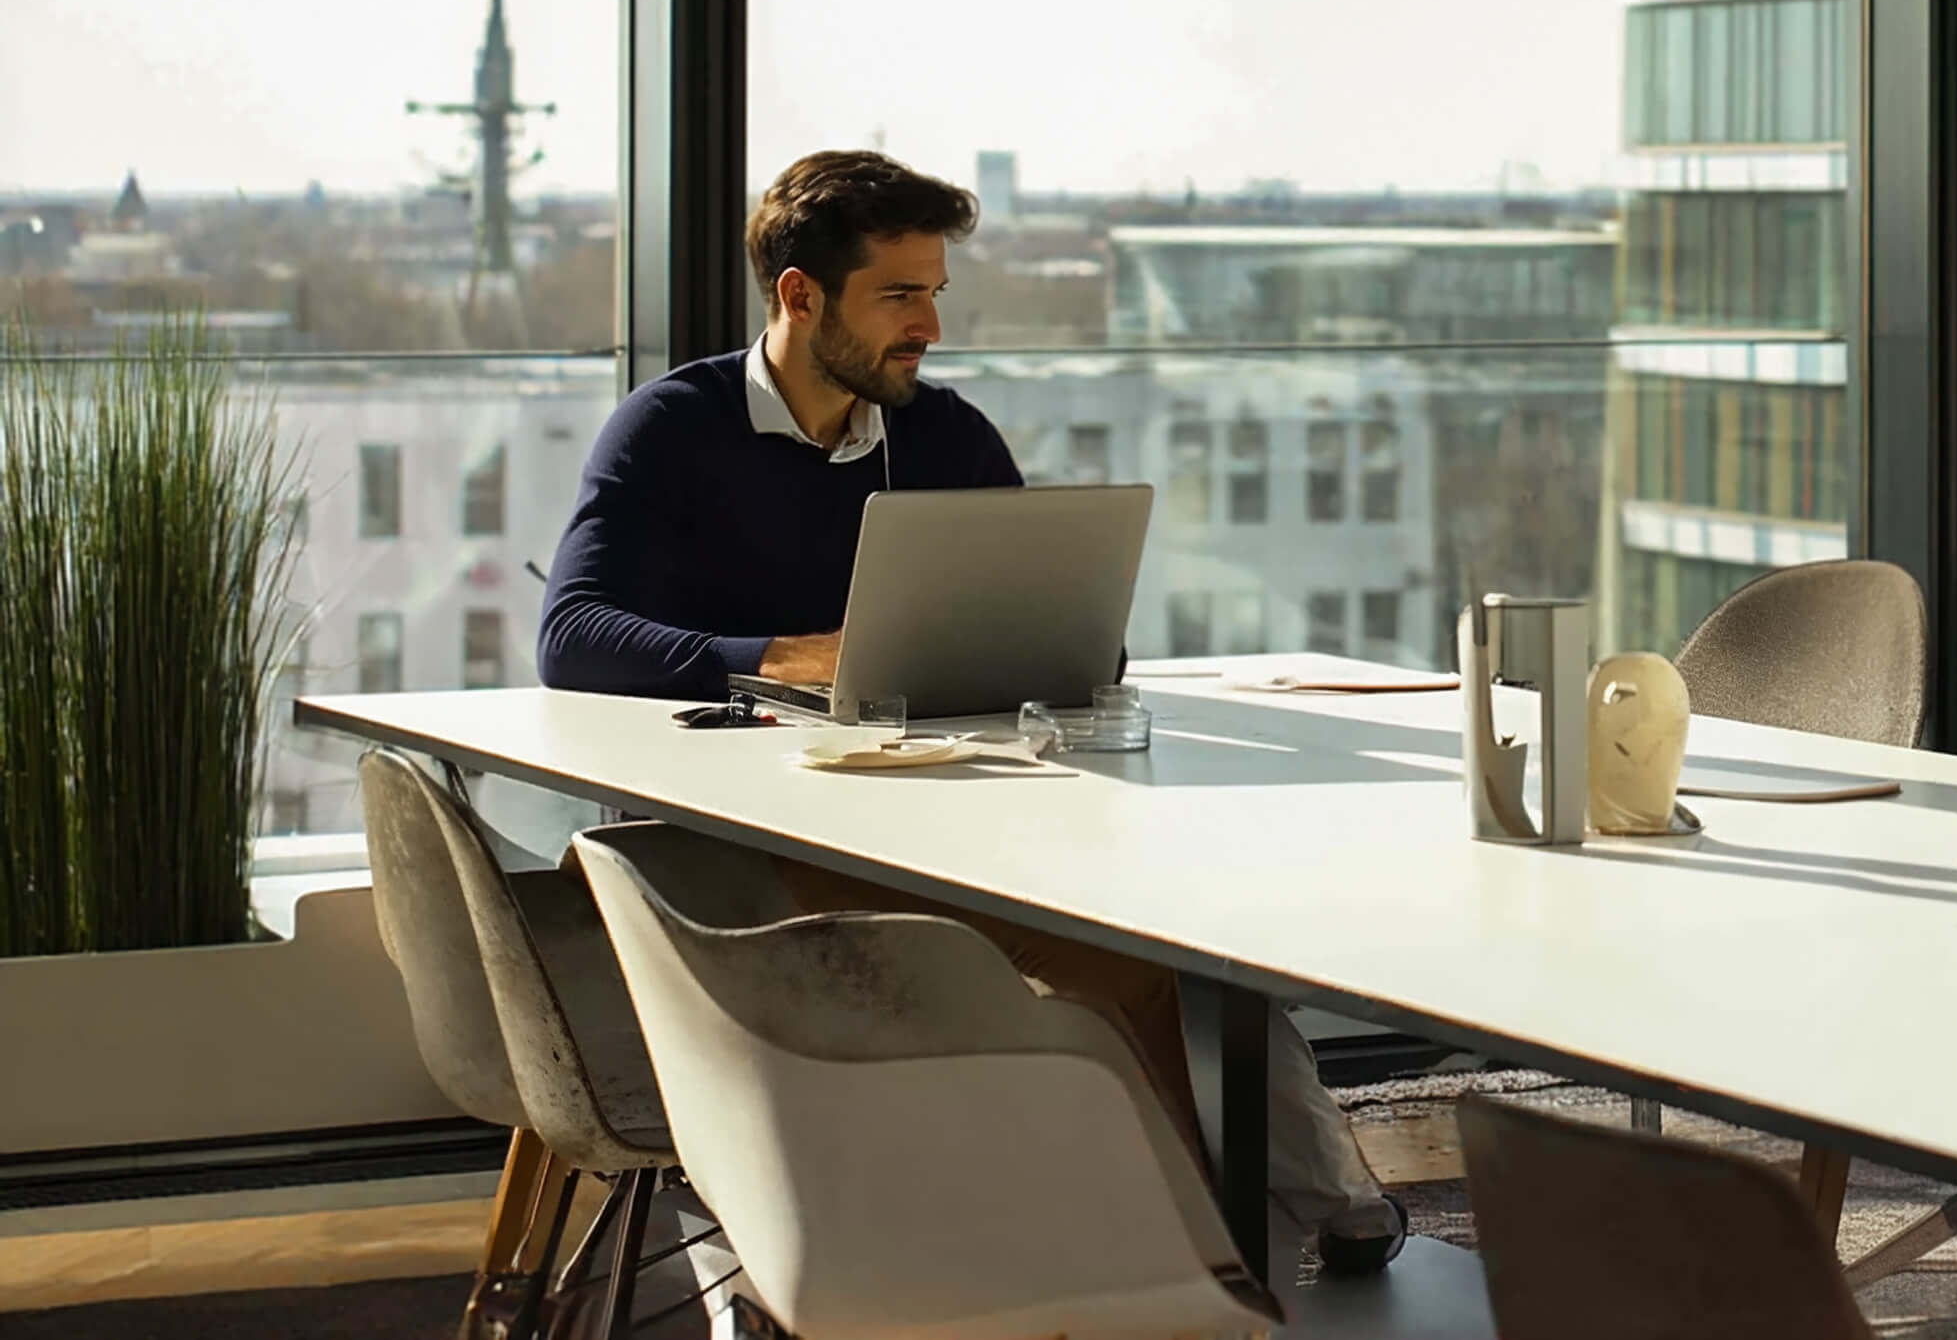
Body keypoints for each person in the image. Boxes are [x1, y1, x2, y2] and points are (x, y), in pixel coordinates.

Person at [538, 149, 1404, 1271]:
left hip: (941, 814)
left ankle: (1280, 1217)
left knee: (1173, 937)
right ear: (800, 294)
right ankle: (1194, 1247)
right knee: (1128, 960)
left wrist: (1049, 638)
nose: (929, 328)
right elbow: (575, 636)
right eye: (900, 295)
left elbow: (1061, 630)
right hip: (740, 847)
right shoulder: (671, 428)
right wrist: (779, 656)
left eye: (936, 293)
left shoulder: (941, 434)